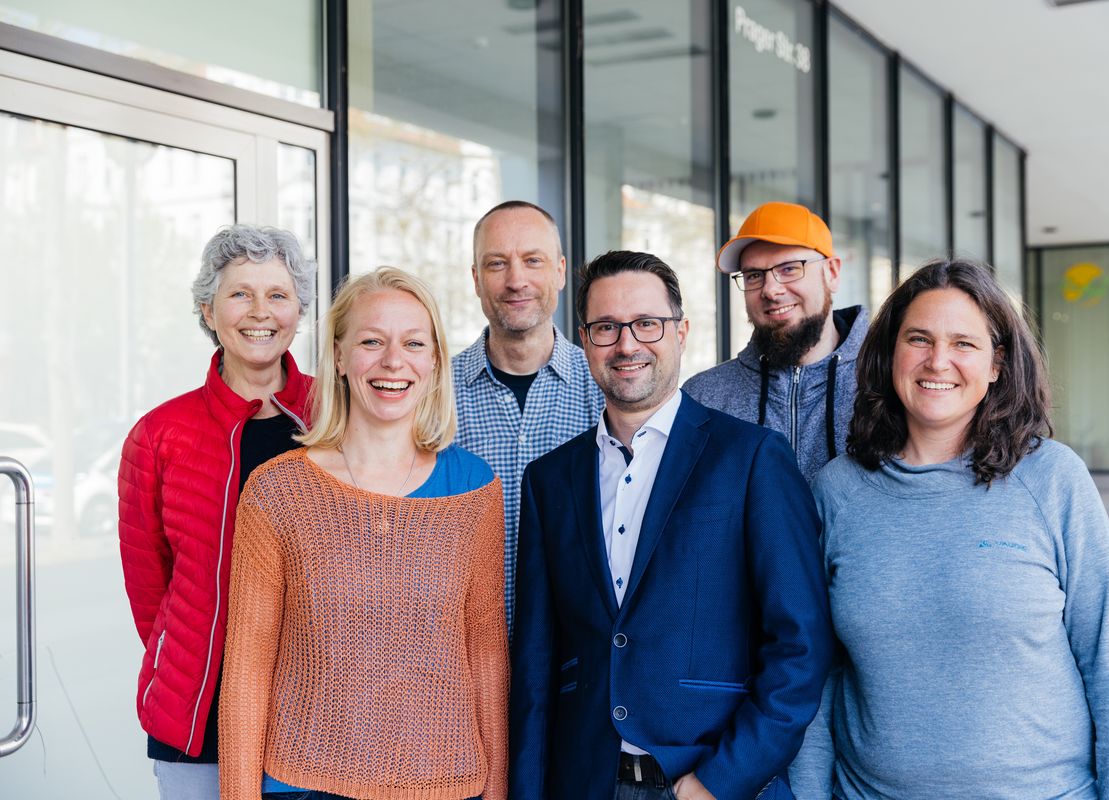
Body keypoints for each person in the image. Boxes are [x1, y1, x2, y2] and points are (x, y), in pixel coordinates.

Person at [789, 259, 1109, 799]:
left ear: (996, 365)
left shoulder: (1052, 479)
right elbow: (818, 676)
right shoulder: (837, 491)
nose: (938, 361)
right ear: (891, 351)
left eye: (964, 343)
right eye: (919, 338)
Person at [509, 250, 833, 800]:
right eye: (607, 327)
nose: (627, 344)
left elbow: (801, 646)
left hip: (710, 782)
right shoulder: (549, 480)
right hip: (585, 783)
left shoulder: (752, 459)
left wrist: (720, 780)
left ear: (681, 332)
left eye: (647, 324)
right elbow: (537, 668)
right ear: (584, 340)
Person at [218, 267, 507, 800]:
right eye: (372, 341)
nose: (393, 361)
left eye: (413, 343)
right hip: (303, 783)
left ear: (435, 361)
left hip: (445, 784)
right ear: (340, 355)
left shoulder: (475, 488)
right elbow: (247, 667)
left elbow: (485, 651)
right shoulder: (277, 491)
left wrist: (497, 792)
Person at [117, 225, 315, 798]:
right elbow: (149, 588)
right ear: (207, 308)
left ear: (299, 309)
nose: (261, 312)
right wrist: (183, 659)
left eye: (277, 294)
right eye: (239, 293)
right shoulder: (159, 435)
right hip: (196, 716)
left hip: (314, 712)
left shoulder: (337, 417)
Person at [453, 200, 604, 627]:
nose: (515, 280)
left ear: (559, 271)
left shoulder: (606, 391)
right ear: (476, 279)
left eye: (531, 261)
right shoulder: (431, 396)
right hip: (460, 657)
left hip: (574, 663)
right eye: (497, 263)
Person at [683, 202, 867, 483]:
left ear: (832, 272)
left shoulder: (886, 383)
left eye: (790, 268)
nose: (770, 290)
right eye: (754, 275)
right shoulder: (704, 398)